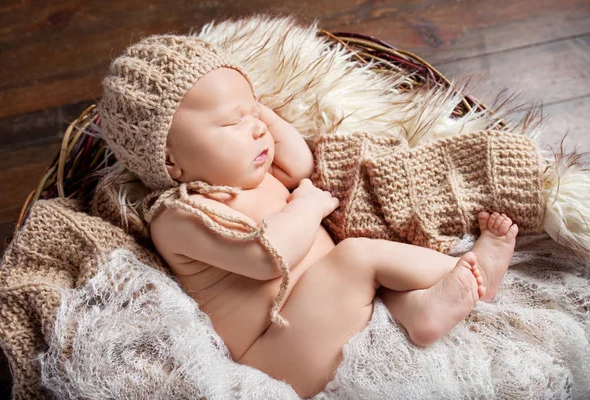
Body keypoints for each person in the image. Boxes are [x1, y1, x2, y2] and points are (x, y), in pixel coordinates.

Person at [99, 35, 518, 398]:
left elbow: (300, 164)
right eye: (232, 121)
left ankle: (421, 312)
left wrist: (262, 114)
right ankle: (474, 272)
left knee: (371, 279)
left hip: (323, 312)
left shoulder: (255, 177)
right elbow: (266, 258)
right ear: (171, 163)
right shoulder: (179, 216)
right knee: (357, 257)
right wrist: (310, 205)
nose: (258, 129)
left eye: (255, 112)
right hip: (278, 351)